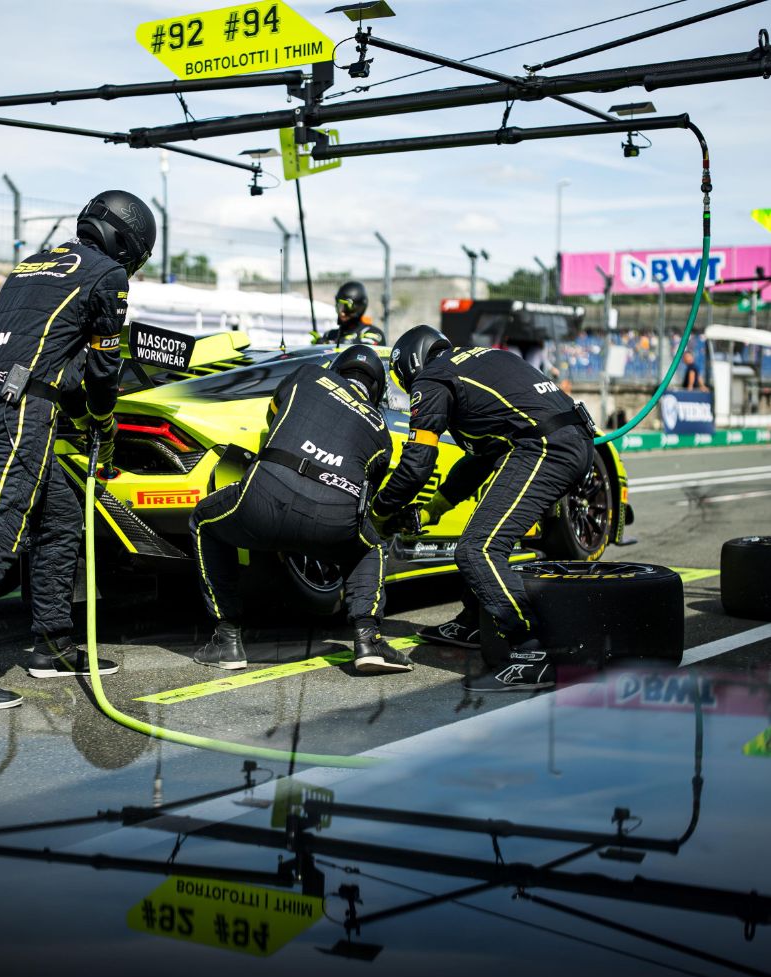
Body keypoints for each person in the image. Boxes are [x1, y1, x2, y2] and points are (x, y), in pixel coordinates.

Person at [0, 190, 156, 711]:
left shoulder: (34, 264)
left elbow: (44, 346)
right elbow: (99, 373)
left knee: (61, 515)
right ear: (130, 242)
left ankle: (52, 643)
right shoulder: (106, 275)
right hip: (21, 406)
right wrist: (103, 422)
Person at [372, 326, 595, 693]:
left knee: (478, 549)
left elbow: (415, 466)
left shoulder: (432, 378)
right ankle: (475, 620)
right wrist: (431, 512)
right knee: (482, 531)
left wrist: (380, 513)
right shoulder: (480, 360)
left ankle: (532, 653)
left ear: (410, 364)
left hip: (545, 447)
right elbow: (478, 462)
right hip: (567, 440)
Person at [190, 346, 411, 674]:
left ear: (336, 369)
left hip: (266, 499)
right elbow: (366, 497)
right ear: (376, 391)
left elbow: (273, 417)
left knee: (204, 521)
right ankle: (369, 640)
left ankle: (227, 640)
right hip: (331, 521)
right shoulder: (381, 429)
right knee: (371, 547)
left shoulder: (308, 375)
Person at [319, 280, 385, 346]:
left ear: (359, 308)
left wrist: (341, 345)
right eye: (339, 307)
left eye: (347, 308)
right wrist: (318, 346)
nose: (342, 313)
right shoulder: (330, 335)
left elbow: (366, 353)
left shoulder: (372, 334)